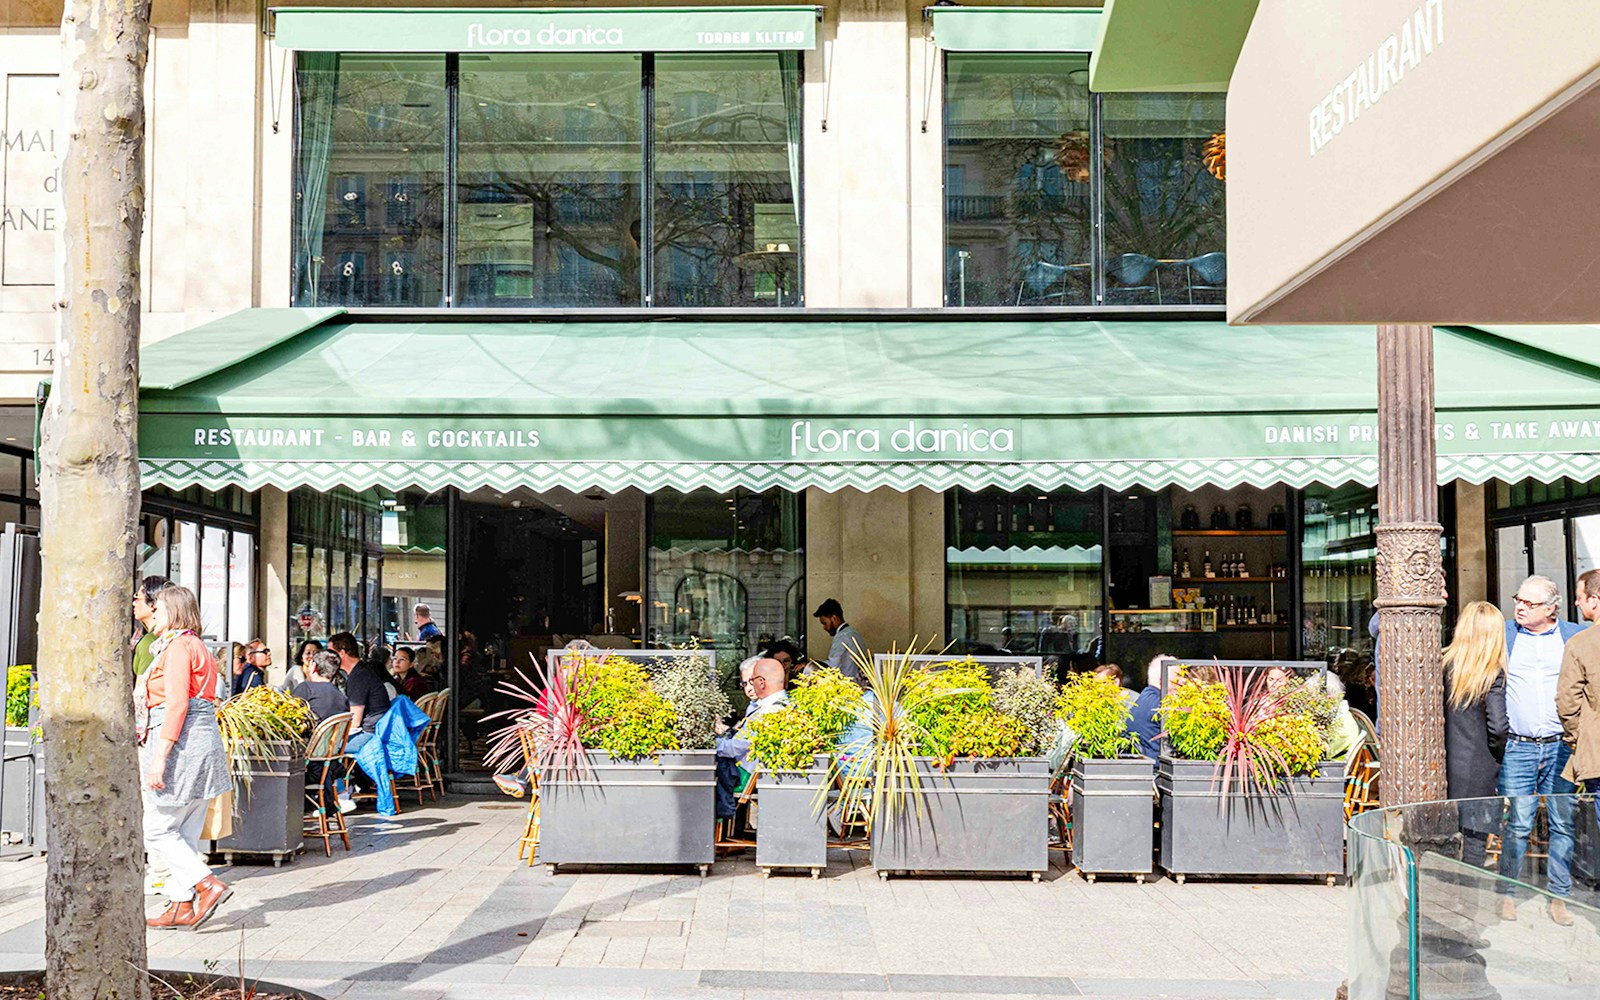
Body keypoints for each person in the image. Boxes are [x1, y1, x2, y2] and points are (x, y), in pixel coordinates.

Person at [139, 584, 232, 930]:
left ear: (174, 612)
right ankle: (180, 905)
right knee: (185, 829)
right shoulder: (196, 646)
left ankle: (205, 884)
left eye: (158, 609)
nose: (153, 614)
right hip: (200, 741)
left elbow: (177, 703)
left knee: (158, 829)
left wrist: (160, 756)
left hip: (180, 742)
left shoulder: (178, 648)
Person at [1497, 574, 1584, 926]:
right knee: (1517, 822)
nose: (1519, 606)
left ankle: (1558, 896)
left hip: (1561, 745)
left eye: (1529, 603)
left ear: (1551, 609)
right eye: (1519, 599)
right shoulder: (1505, 635)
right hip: (1518, 746)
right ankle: (1506, 894)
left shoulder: (1573, 636)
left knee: (1563, 822)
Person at [1442, 601, 1510, 868]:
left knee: (1445, 838)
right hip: (1479, 768)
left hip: (1446, 766)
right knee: (1474, 843)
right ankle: (1468, 900)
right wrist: (1500, 753)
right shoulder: (1492, 674)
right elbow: (1498, 727)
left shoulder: (1443, 665)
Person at [1558, 568, 1600, 865]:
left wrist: (1578, 741)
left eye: (1579, 597)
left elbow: (1567, 704)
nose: (1576, 604)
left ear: (1594, 600)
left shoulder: (1581, 644)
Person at [714, 658, 790, 819]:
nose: (749, 688)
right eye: (745, 683)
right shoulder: (775, 705)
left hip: (745, 775)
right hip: (750, 770)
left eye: (752, 680)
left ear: (761, 682)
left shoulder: (770, 711)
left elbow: (737, 747)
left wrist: (711, 745)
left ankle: (716, 826)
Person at [330, 631, 390, 754]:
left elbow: (355, 721)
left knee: (325, 747)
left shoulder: (359, 677)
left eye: (331, 653)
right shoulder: (362, 671)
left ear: (342, 653)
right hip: (376, 730)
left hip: (369, 735)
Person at [813, 598, 867, 680]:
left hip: (846, 686)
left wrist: (810, 665)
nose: (824, 628)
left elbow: (832, 665)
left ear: (834, 618)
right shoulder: (854, 633)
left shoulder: (842, 636)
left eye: (825, 623)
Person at [1127, 656, 1169, 760]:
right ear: (1162, 679)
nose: (1183, 681)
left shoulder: (1144, 698)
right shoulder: (1159, 705)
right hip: (1157, 768)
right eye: (1178, 676)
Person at [293, 649, 350, 723]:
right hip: (335, 734)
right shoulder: (342, 697)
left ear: (313, 666)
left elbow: (288, 714)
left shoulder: (306, 688)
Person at [130, 575, 168, 676]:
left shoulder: (150, 642)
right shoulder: (173, 636)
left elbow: (141, 688)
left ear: (153, 604)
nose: (134, 603)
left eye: (138, 597)